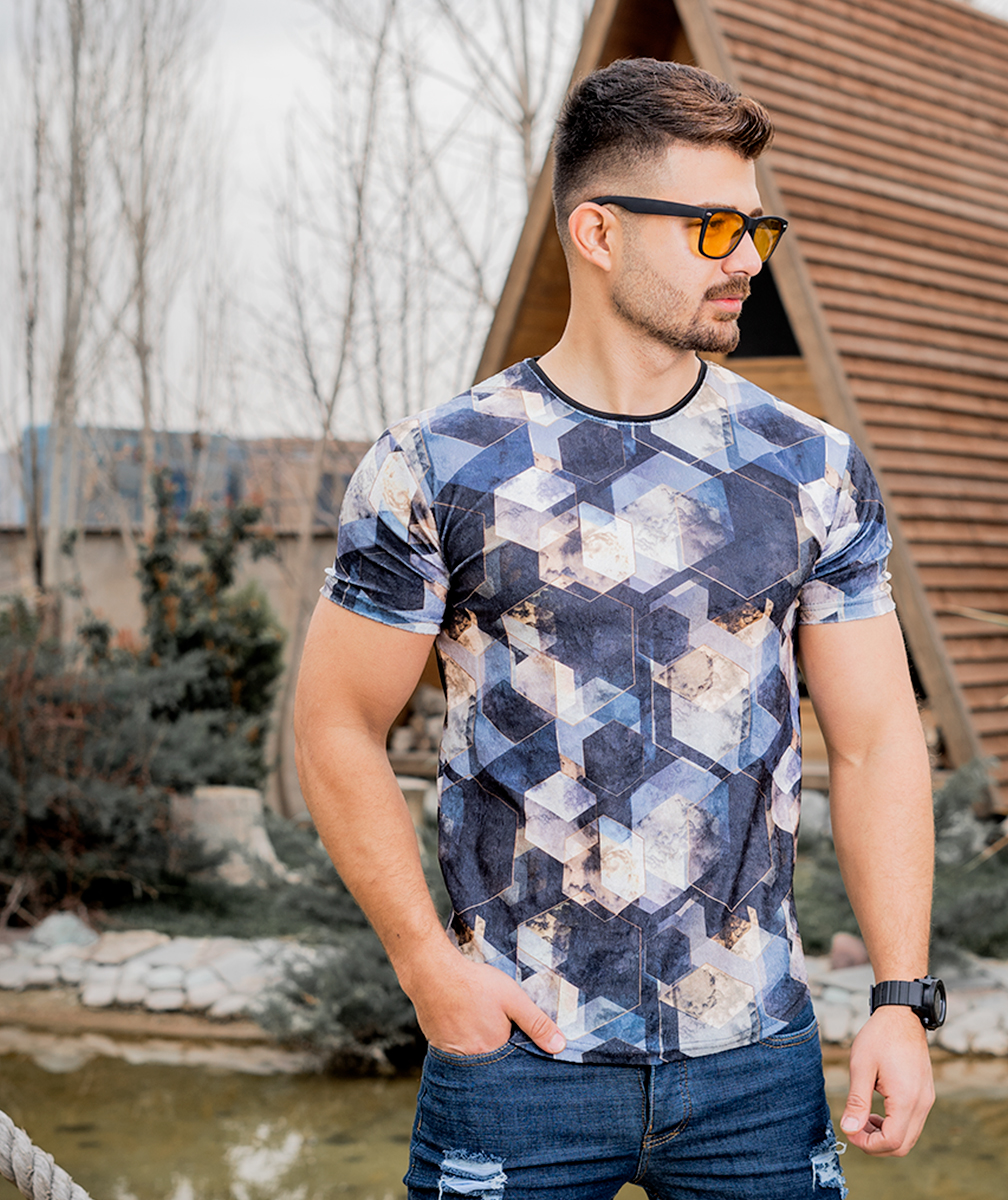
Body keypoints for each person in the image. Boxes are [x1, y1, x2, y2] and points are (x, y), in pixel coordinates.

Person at [294, 57, 937, 1200]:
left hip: (755, 1069)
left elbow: (879, 738)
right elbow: (334, 723)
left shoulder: (812, 471)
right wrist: (427, 968)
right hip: (515, 1057)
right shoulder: (437, 467)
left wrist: (900, 997)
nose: (747, 259)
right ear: (597, 232)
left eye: (756, 228)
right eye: (712, 227)